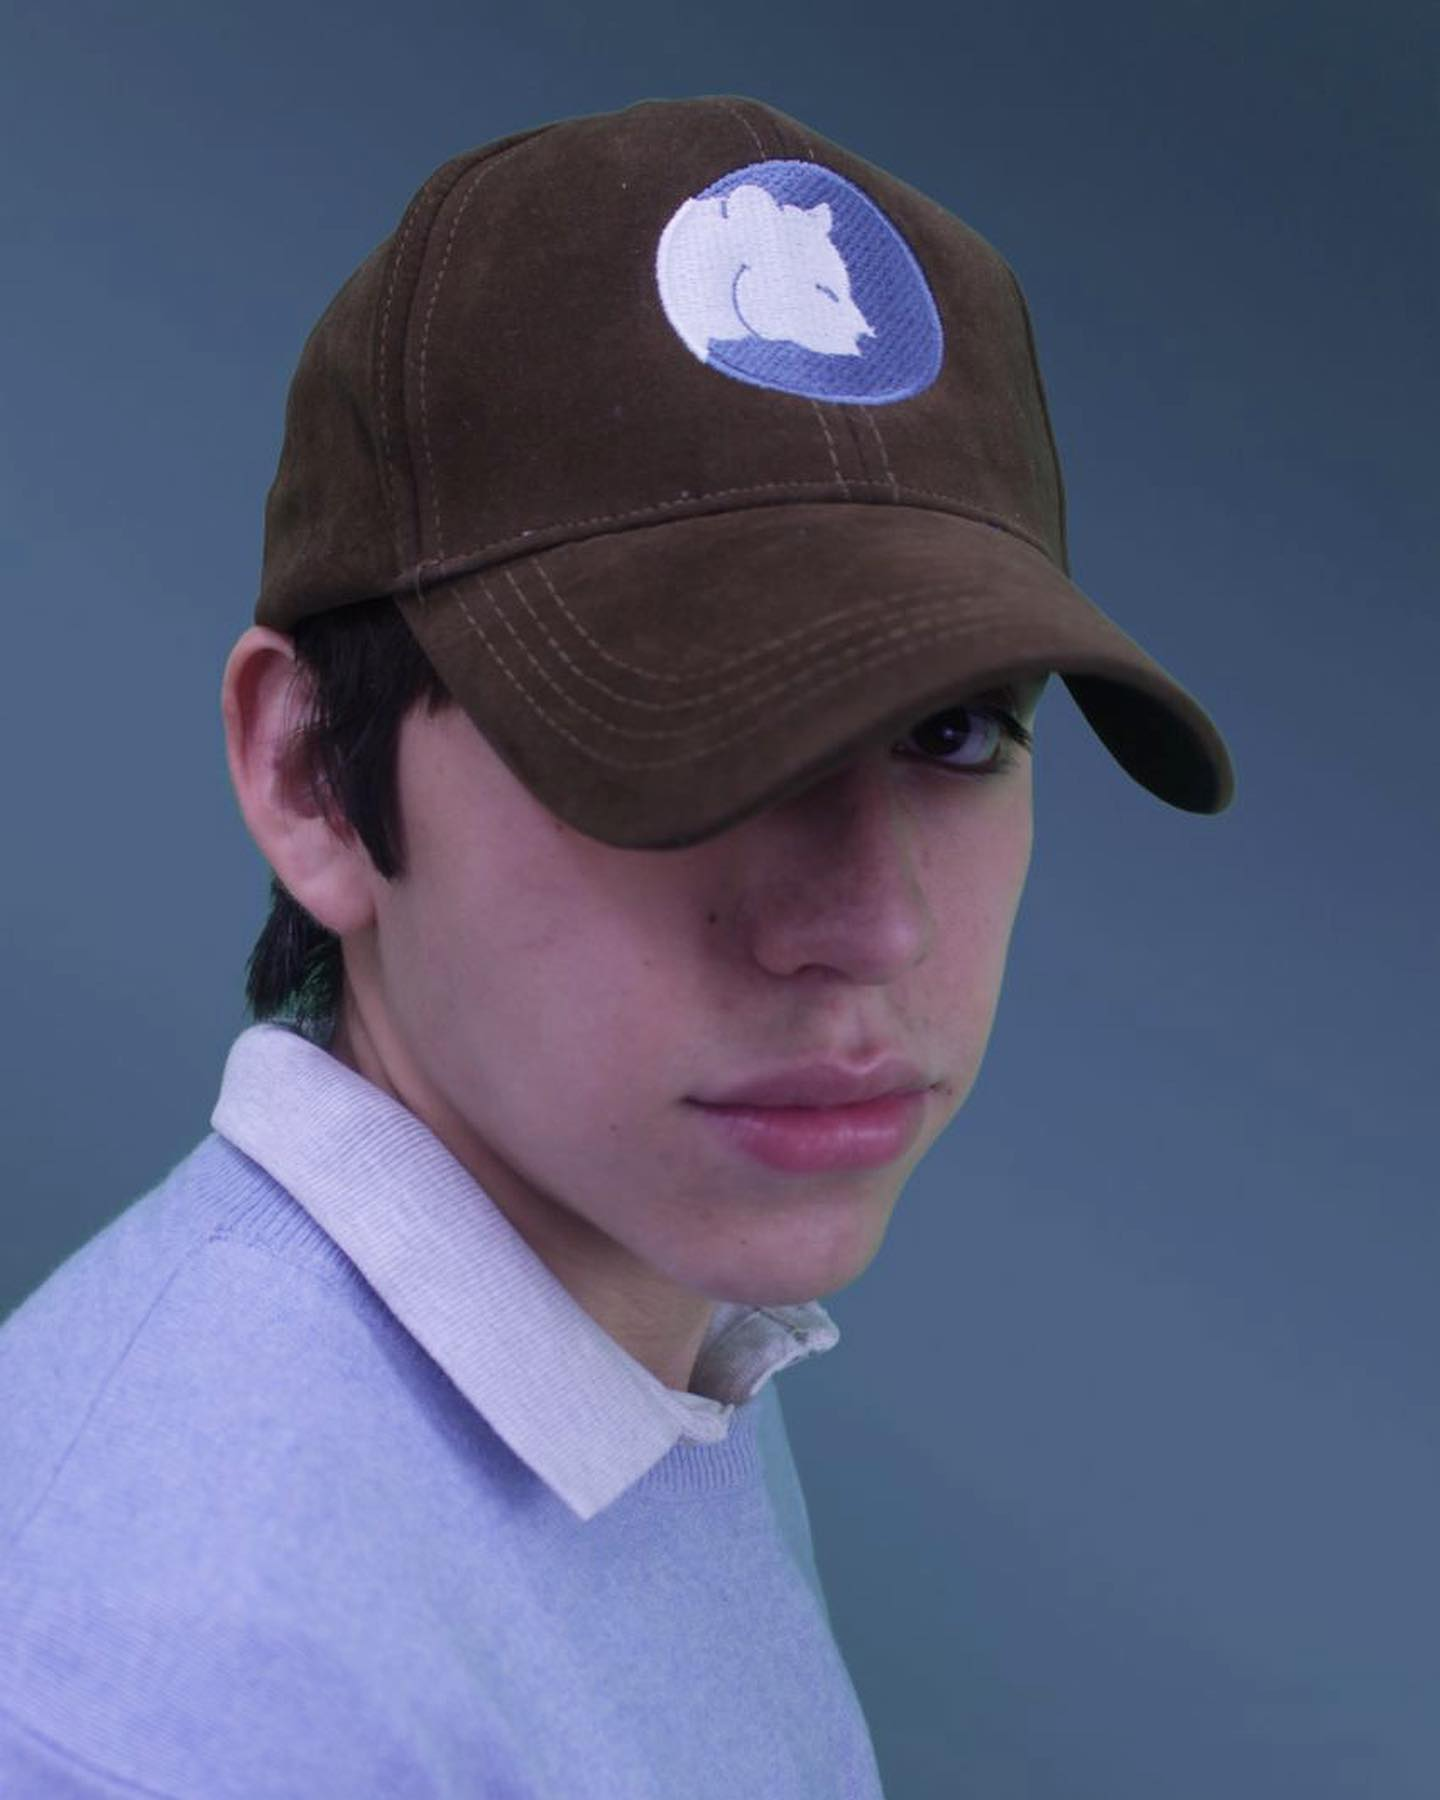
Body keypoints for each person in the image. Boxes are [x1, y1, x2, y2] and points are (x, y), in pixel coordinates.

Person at [0, 94, 1235, 1796]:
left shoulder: (628, 1327)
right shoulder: (170, 1706)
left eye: (955, 733)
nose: (872, 924)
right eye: (696, 742)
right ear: (314, 778)